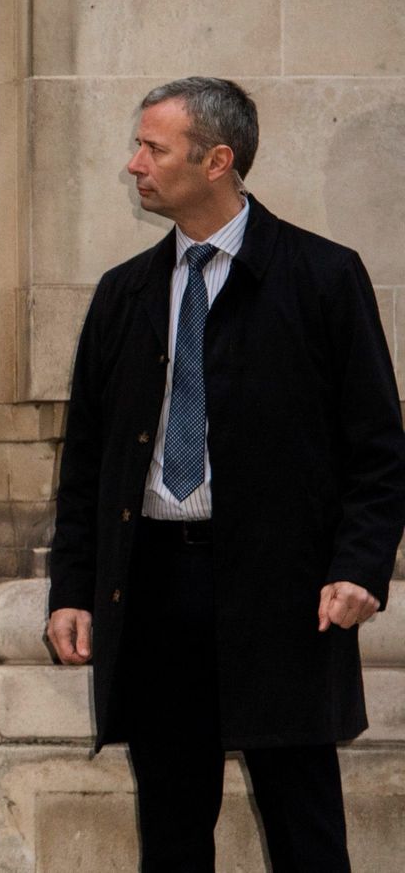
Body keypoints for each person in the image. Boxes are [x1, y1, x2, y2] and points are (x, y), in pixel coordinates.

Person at [45, 76, 405, 871]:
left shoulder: (322, 276)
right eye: (137, 146)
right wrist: (72, 587)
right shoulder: (124, 292)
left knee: (305, 827)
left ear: (217, 160)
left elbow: (379, 447)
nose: (134, 164)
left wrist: (359, 565)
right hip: (155, 591)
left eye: (153, 148)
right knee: (172, 831)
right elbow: (89, 461)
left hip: (287, 598)